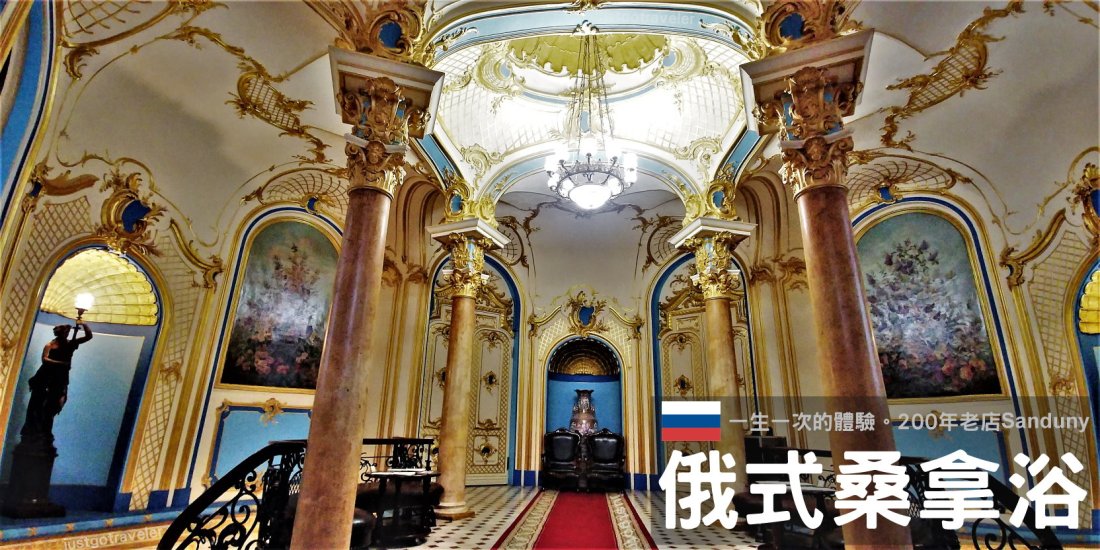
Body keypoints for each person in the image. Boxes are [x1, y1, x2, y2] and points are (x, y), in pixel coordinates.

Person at [20, 322, 93, 444]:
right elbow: (44, 359)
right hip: (45, 377)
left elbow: (88, 336)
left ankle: (45, 431)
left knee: (54, 404)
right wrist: (61, 363)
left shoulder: (70, 344)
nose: (67, 334)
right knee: (37, 404)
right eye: (65, 332)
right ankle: (32, 430)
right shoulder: (50, 345)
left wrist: (83, 324)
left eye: (68, 332)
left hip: (60, 378)